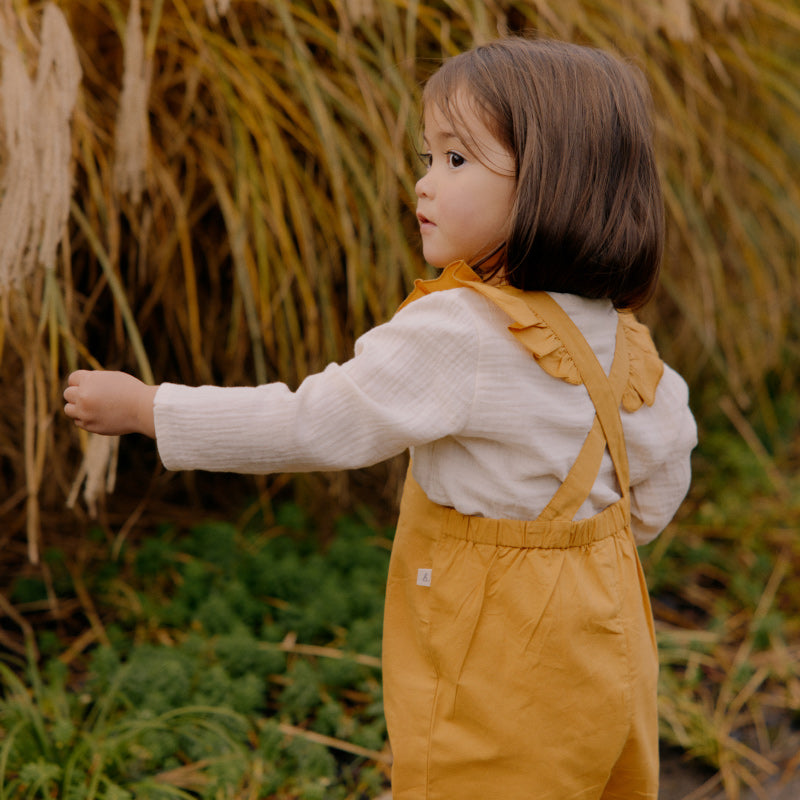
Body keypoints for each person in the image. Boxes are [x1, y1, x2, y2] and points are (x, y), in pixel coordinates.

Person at [64, 36, 697, 799]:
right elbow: (662, 475)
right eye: (427, 157)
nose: (424, 184)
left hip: (493, 652)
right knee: (596, 779)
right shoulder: (629, 344)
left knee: (470, 779)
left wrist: (151, 409)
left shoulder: (458, 331)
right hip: (608, 639)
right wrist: (578, 556)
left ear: (553, 184)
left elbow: (314, 423)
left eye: (456, 160)